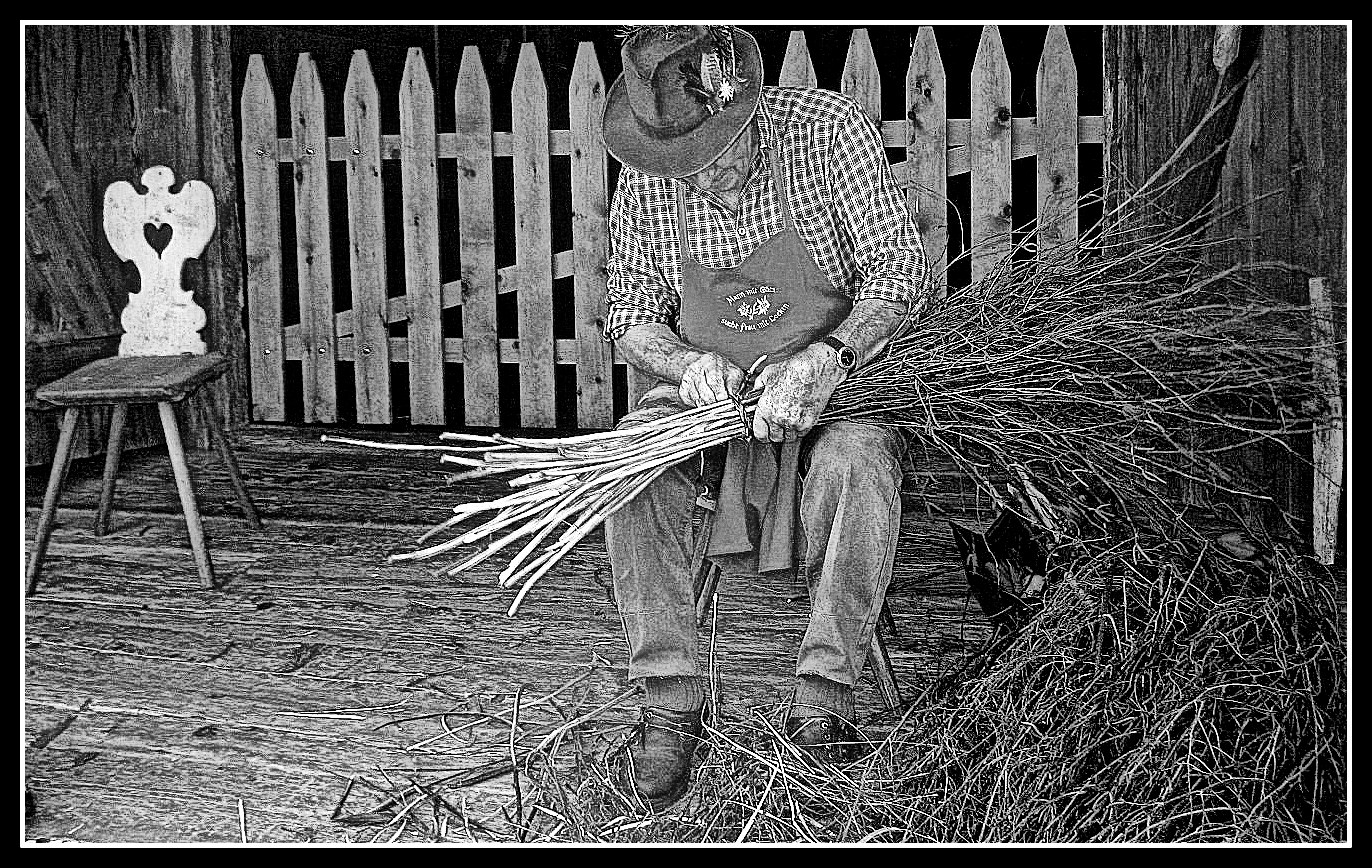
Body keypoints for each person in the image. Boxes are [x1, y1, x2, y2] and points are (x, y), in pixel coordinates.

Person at [600, 25, 928, 808]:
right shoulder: (653, 171)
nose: (701, 185)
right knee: (628, 461)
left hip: (835, 384)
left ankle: (826, 693)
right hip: (711, 401)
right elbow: (630, 311)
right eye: (684, 170)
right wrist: (685, 365)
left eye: (711, 161)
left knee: (859, 463)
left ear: (744, 112)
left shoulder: (826, 131)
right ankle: (670, 696)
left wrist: (829, 358)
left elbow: (899, 269)